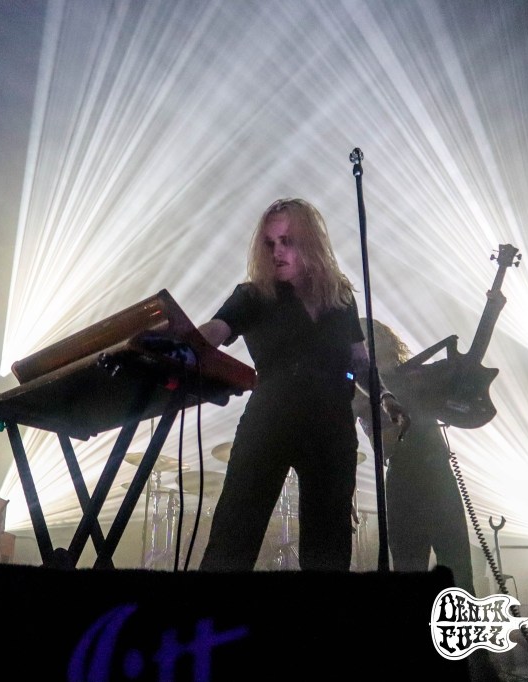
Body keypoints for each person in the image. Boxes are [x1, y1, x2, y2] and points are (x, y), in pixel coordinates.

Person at [197, 198, 408, 572]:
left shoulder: (338, 298)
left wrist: (386, 398)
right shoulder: (253, 296)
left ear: (310, 243)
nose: (277, 252)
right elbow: (216, 329)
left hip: (331, 429)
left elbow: (359, 361)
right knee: (233, 539)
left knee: (328, 551)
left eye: (287, 241)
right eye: (270, 243)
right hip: (269, 423)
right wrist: (180, 342)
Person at [352, 319, 476, 593]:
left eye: (372, 338)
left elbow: (466, 374)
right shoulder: (362, 393)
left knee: (457, 570)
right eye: (362, 344)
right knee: (409, 569)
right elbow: (377, 445)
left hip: (437, 472)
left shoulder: (419, 374)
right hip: (402, 478)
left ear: (386, 341)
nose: (368, 346)